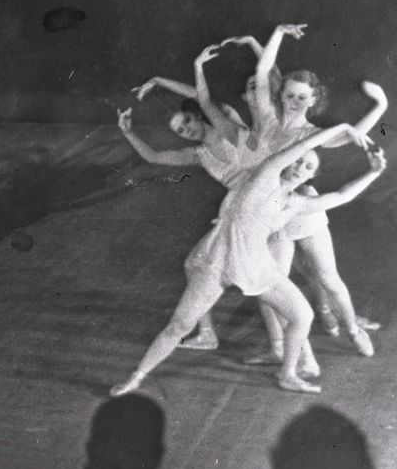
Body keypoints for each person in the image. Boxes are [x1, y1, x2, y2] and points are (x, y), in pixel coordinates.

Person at [110, 121, 385, 397]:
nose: (301, 166)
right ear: (288, 160)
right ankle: (136, 377)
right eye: (299, 161)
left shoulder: (294, 204)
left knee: (302, 315)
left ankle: (288, 373)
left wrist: (374, 172)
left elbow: (340, 195)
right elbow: (303, 145)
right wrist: (344, 128)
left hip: (254, 265)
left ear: (311, 175)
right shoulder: (264, 175)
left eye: (309, 167)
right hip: (217, 259)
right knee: (180, 325)